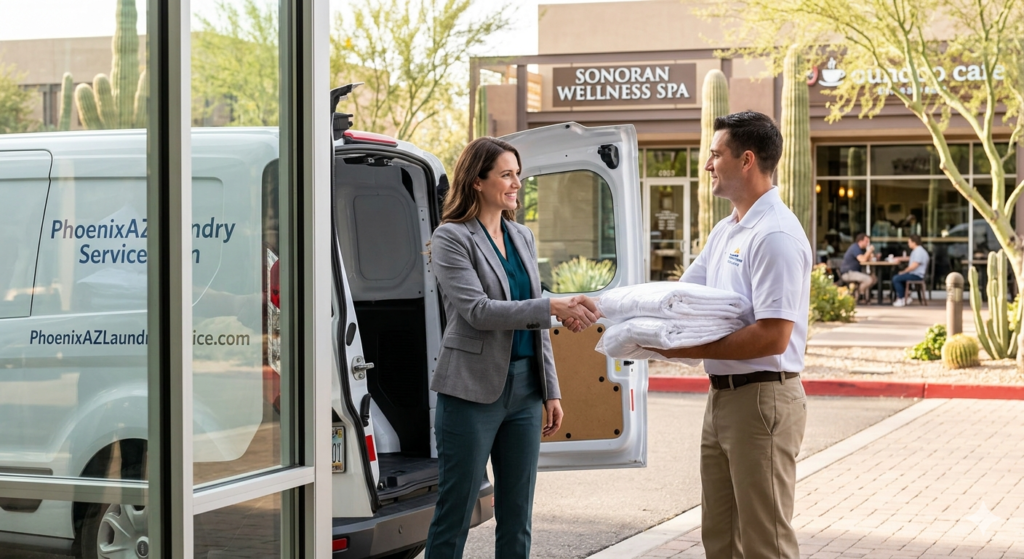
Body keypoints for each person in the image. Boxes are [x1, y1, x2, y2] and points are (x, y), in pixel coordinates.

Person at [425, 137, 600, 559]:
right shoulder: (450, 238)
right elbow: (478, 311)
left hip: (524, 392)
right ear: (477, 181)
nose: (517, 183)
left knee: (518, 515)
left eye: (518, 174)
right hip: (470, 392)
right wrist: (551, 305)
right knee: (456, 511)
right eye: (506, 174)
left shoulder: (521, 235)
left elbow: (534, 318)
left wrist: (551, 389)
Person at [649, 112, 812, 559]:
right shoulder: (728, 230)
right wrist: (614, 311)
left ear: (746, 160)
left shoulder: (774, 234)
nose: (707, 165)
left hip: (762, 401)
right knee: (720, 539)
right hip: (722, 397)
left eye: (714, 154)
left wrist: (684, 348)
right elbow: (685, 292)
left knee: (766, 543)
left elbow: (773, 337)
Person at [891, 234, 929, 307]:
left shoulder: (919, 252)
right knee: (900, 277)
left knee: (896, 278)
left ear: (914, 242)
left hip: (917, 275)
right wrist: (899, 258)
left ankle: (901, 298)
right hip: (916, 274)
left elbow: (914, 265)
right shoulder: (917, 250)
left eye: (909, 242)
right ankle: (906, 297)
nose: (908, 244)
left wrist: (904, 271)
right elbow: (911, 258)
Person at [840, 233, 877, 303]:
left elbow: (867, 259)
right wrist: (869, 251)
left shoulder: (861, 249)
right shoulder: (855, 248)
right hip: (848, 273)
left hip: (855, 272)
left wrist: (870, 254)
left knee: (874, 278)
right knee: (868, 279)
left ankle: (861, 295)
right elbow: (862, 259)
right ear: (860, 241)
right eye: (866, 241)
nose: (867, 243)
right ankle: (858, 296)